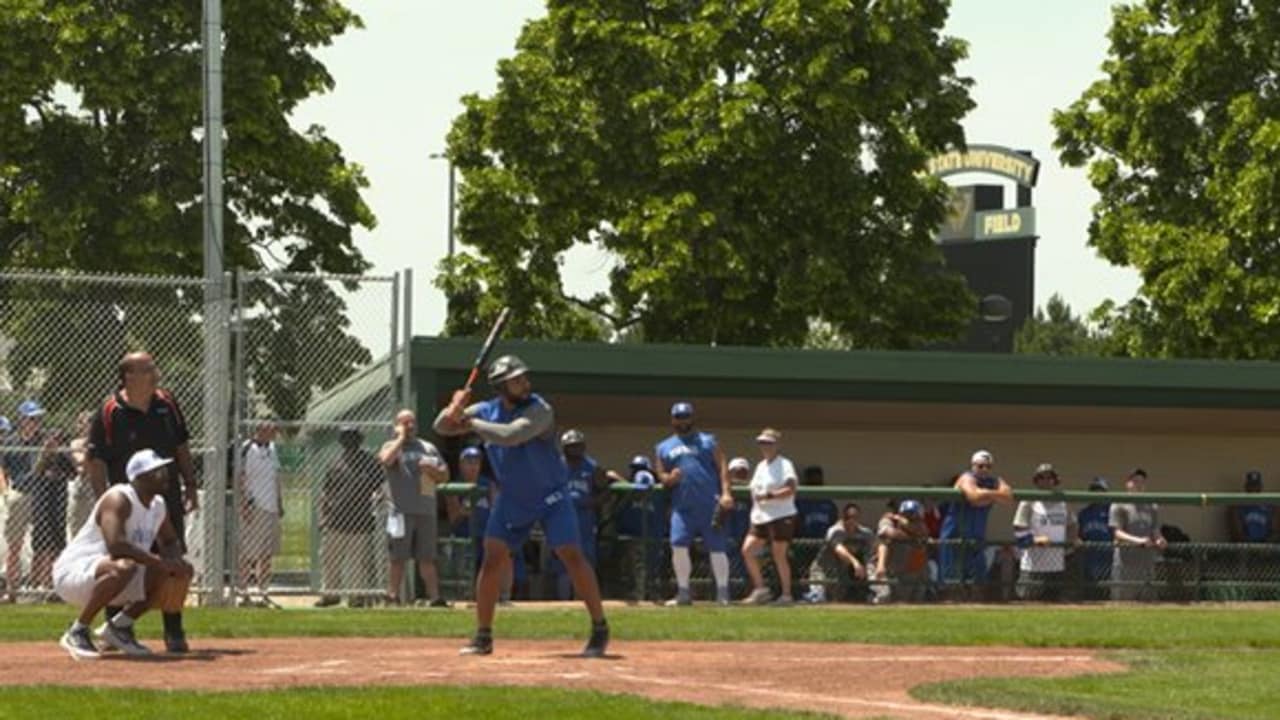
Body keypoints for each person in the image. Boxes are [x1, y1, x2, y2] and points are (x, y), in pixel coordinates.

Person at [435, 354, 608, 657]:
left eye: (524, 378)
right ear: (501, 386)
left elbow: (512, 436)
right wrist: (455, 408)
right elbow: (441, 427)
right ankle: (483, 635)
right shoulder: (486, 409)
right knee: (492, 558)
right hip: (514, 498)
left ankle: (599, 627)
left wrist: (470, 421)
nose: (525, 383)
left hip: (551, 496)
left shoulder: (540, 409)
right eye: (517, 380)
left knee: (571, 555)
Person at [85, 351, 198, 652]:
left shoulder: (167, 404)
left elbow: (181, 445)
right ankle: (115, 630)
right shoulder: (110, 411)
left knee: (172, 559)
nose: (154, 372)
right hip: (127, 502)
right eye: (147, 368)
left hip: (165, 497)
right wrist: (103, 501)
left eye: (152, 367)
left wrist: (190, 482)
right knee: (124, 562)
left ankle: (173, 630)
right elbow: (94, 460)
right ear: (128, 377)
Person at [53, 449, 194, 659]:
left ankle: (119, 627)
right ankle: (78, 630)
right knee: (126, 566)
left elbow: (170, 540)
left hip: (115, 573)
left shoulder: (157, 506)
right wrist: (158, 561)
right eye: (157, 471)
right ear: (139, 477)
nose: (165, 475)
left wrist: (175, 561)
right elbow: (116, 546)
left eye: (164, 469)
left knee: (178, 572)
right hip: (75, 573)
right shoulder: (119, 498)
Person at [654, 401, 733, 606]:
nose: (683, 421)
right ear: (672, 420)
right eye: (679, 417)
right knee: (678, 545)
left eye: (686, 417)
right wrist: (669, 478)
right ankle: (683, 592)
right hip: (682, 506)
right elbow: (661, 474)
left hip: (709, 502)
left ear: (692, 418)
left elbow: (722, 465)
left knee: (717, 547)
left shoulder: (707, 441)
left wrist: (726, 493)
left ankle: (723, 593)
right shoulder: (664, 446)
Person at [378, 409, 448, 607]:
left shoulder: (428, 448)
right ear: (397, 425)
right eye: (405, 423)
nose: (410, 426)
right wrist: (400, 438)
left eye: (412, 422)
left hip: (425, 510)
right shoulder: (391, 446)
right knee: (397, 557)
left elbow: (444, 475)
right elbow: (385, 460)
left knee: (427, 557)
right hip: (400, 511)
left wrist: (433, 470)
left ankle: (435, 598)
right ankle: (392, 596)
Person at [551, 429, 624, 600]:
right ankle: (563, 601)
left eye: (577, 446)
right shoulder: (557, 467)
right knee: (562, 562)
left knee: (585, 561)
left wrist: (593, 502)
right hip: (562, 518)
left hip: (585, 520)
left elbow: (605, 491)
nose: (574, 450)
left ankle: (583, 599)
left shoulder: (592, 467)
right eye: (570, 446)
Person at [316, 426, 382, 608]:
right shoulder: (335, 463)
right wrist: (323, 516)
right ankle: (330, 595)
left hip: (360, 519)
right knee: (330, 559)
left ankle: (356, 597)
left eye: (353, 438)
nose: (349, 442)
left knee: (357, 562)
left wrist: (377, 501)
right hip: (335, 519)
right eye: (346, 438)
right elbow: (325, 492)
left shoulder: (369, 462)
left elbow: (380, 488)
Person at [937, 450, 1014, 594]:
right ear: (973, 465)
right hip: (954, 534)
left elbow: (1008, 497)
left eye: (988, 466)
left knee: (978, 580)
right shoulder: (966, 477)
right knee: (951, 582)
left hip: (976, 536)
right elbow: (974, 497)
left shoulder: (995, 481)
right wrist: (994, 495)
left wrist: (985, 494)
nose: (984, 469)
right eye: (980, 466)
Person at [742, 428, 799, 605]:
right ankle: (761, 589)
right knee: (747, 550)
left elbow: (790, 488)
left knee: (779, 554)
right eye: (762, 443)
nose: (765, 446)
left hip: (781, 515)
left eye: (768, 443)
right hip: (760, 516)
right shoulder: (760, 466)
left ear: (777, 444)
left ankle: (786, 595)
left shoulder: (785, 464)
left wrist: (769, 496)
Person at [458, 445, 517, 603]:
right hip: (463, 533)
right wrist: (464, 510)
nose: (472, 466)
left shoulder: (487, 483)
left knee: (505, 553)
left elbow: (496, 507)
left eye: (476, 462)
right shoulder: (457, 484)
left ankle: (504, 596)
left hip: (486, 532)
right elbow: (453, 516)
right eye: (468, 462)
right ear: (461, 464)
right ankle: (466, 596)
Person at [1012, 463, 1074, 601]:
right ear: (1036, 480)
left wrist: (1070, 544)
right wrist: (1035, 539)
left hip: (1057, 565)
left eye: (1050, 477)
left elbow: (1072, 525)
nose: (1046, 481)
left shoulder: (1063, 501)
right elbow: (1018, 530)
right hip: (1033, 565)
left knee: (1056, 606)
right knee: (1029, 602)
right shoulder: (1028, 501)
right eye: (1042, 478)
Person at [237, 419, 282, 604]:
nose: (274, 432)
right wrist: (244, 504)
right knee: (247, 552)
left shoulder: (272, 449)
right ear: (260, 429)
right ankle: (243, 591)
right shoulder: (247, 448)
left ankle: (263, 591)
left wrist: (280, 502)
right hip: (254, 505)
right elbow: (240, 476)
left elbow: (276, 476)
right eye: (270, 428)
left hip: (271, 506)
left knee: (266, 553)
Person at [1109, 468, 1166, 601]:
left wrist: (1160, 539)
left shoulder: (1152, 506)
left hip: (1146, 562)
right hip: (1125, 562)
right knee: (1123, 603)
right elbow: (1117, 533)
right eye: (1135, 481)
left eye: (1142, 482)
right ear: (1127, 484)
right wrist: (1138, 541)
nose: (1139, 485)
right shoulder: (1118, 504)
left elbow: (1155, 530)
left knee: (1148, 602)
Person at [804, 502, 874, 604]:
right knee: (818, 599)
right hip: (823, 569)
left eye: (854, 517)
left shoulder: (864, 533)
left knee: (840, 601)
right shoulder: (835, 530)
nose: (851, 520)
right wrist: (855, 563)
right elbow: (839, 549)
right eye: (848, 517)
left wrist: (877, 565)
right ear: (843, 517)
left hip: (841, 573)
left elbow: (879, 544)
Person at [874, 499, 930, 603]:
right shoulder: (888, 520)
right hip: (881, 567)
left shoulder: (920, 526)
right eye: (906, 514)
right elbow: (890, 533)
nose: (909, 517)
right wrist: (912, 536)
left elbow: (923, 533)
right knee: (884, 597)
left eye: (913, 515)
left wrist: (905, 524)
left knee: (911, 600)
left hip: (905, 571)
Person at [1076, 477, 1114, 601]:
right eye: (1094, 490)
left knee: (1107, 592)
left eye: (1100, 490)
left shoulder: (1112, 511)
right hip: (1089, 558)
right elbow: (1078, 535)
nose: (1097, 493)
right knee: (1089, 594)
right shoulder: (1084, 513)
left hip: (1108, 557)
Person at [66, 412, 96, 541]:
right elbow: (80, 462)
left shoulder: (100, 441)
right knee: (76, 523)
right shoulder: (75, 443)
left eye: (87, 423)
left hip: (96, 482)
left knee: (94, 524)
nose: (83, 426)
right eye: (81, 423)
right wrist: (90, 449)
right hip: (81, 483)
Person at [794, 465, 839, 540]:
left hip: (824, 541)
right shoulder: (800, 503)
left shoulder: (828, 504)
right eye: (812, 479)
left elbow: (833, 523)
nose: (815, 481)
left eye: (817, 479)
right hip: (804, 541)